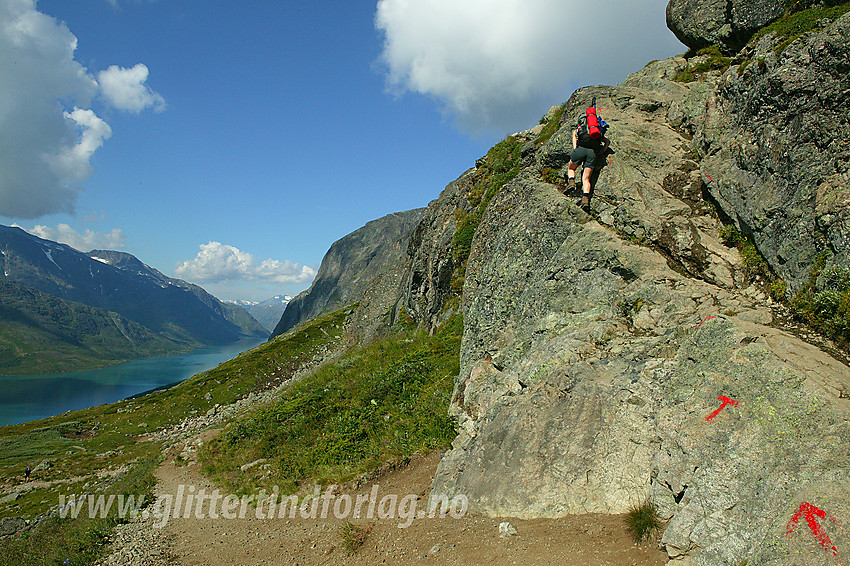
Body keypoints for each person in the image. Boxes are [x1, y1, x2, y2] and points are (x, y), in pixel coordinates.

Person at [566, 116, 610, 212]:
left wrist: (575, 148)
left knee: (571, 168)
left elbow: (574, 136)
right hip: (592, 153)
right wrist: (602, 151)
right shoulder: (596, 131)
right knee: (586, 178)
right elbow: (607, 142)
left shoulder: (579, 129)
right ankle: (585, 200)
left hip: (580, 149)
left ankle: (571, 182)